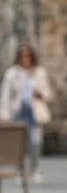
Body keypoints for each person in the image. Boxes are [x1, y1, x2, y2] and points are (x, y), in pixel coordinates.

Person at [0, 43, 53, 182]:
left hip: (34, 110)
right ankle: (20, 170)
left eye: (27, 55)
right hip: (18, 110)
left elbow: (48, 92)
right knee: (18, 143)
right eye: (22, 55)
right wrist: (4, 115)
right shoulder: (12, 73)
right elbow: (5, 94)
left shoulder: (40, 72)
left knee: (35, 141)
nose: (25, 58)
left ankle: (34, 169)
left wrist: (40, 94)